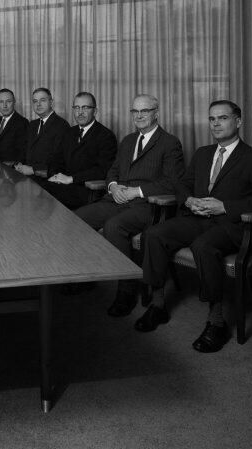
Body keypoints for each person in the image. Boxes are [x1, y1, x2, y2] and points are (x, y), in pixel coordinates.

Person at [139, 100, 252, 352]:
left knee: (203, 246)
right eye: (212, 119)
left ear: (238, 121)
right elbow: (183, 184)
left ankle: (216, 322)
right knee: (154, 234)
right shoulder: (203, 153)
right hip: (198, 218)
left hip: (232, 225)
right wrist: (189, 200)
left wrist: (224, 206)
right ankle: (157, 305)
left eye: (223, 118)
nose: (216, 124)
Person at [75, 94, 185, 316]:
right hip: (117, 199)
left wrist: (137, 191)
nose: (139, 115)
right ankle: (86, 278)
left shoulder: (169, 143)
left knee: (114, 226)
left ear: (156, 113)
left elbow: (172, 182)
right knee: (76, 218)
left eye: (145, 111)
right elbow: (113, 171)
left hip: (147, 205)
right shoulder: (128, 140)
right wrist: (113, 186)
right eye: (135, 111)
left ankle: (126, 290)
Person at [36, 91, 117, 210]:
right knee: (36, 190)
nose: (80, 112)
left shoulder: (106, 136)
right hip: (63, 186)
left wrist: (71, 179)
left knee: (44, 196)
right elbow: (56, 160)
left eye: (85, 108)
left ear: (95, 111)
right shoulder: (68, 133)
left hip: (87, 190)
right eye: (77, 108)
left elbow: (102, 170)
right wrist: (55, 176)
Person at [13, 87, 68, 177]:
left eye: (42, 100)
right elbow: (24, 149)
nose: (38, 104)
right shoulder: (32, 124)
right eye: (35, 101)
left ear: (51, 102)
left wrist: (33, 170)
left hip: (47, 178)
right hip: (26, 176)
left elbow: (59, 160)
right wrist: (19, 163)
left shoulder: (62, 125)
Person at [0, 88, 29, 163]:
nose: (4, 105)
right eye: (1, 102)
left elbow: (22, 154)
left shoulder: (22, 123)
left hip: (9, 168)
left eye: (8, 101)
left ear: (14, 102)